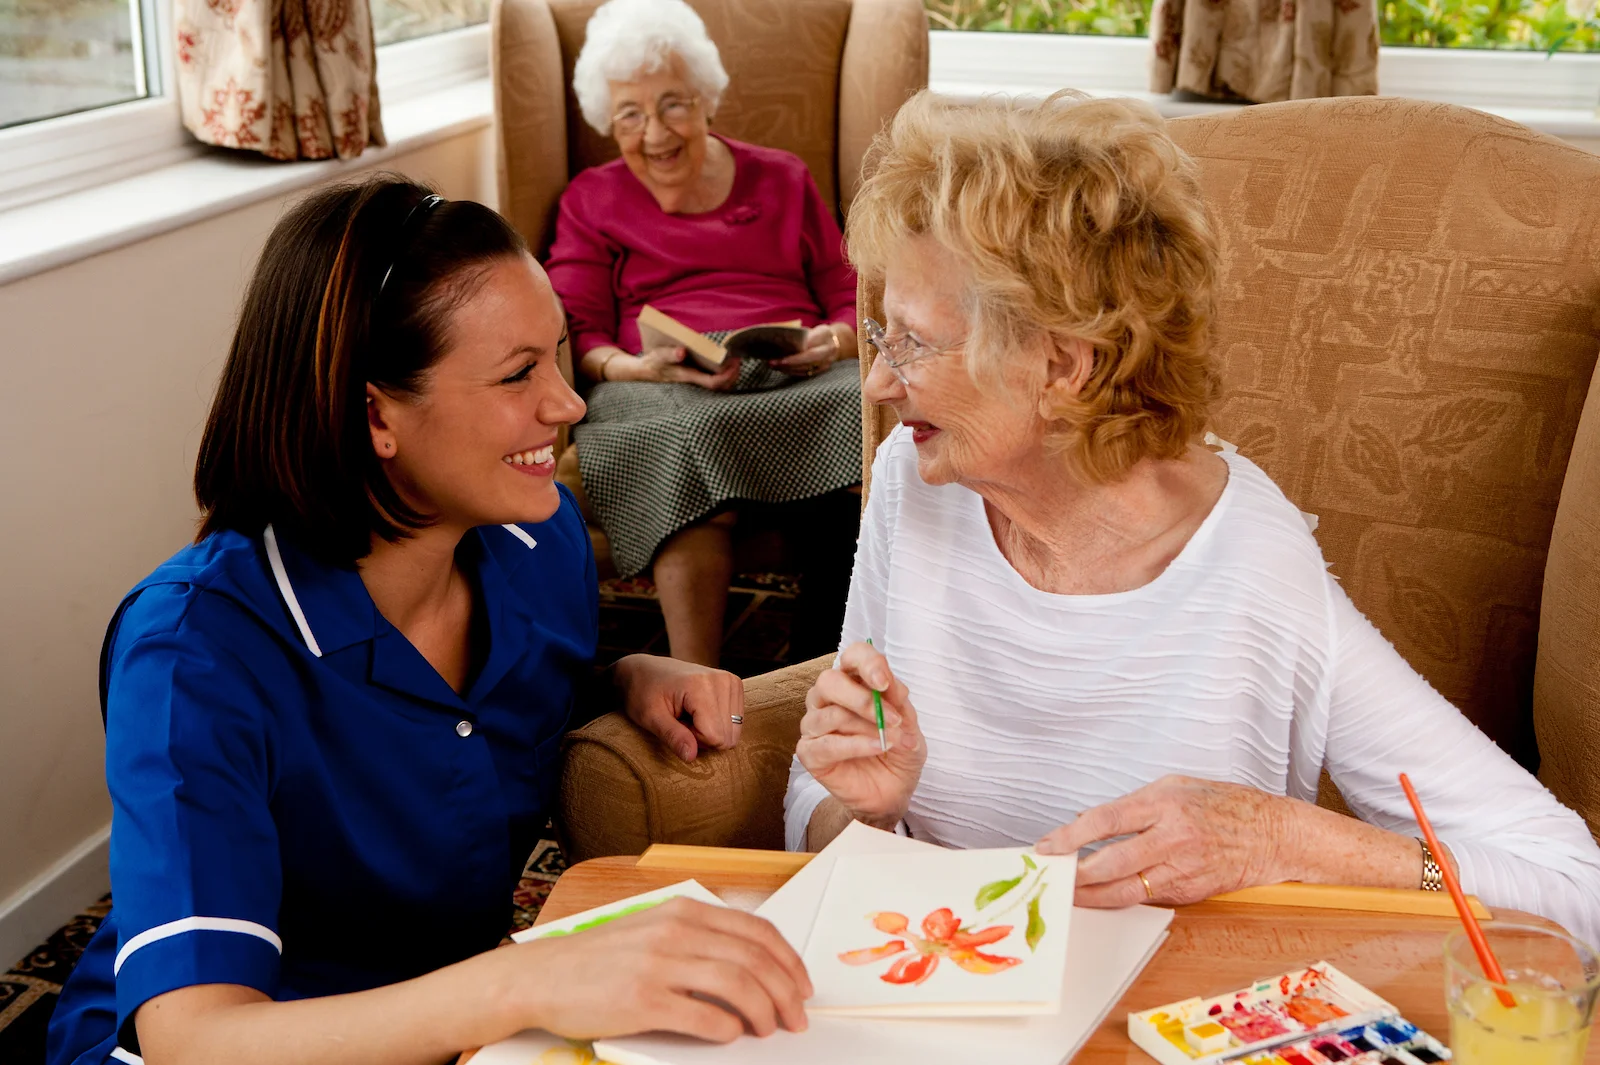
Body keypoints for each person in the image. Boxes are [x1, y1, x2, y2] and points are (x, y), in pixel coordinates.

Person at [784, 91, 1600, 947]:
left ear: (1063, 366)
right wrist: (862, 808)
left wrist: (1288, 838)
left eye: (912, 343)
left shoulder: (1247, 565)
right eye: (880, 335)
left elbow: (1570, 884)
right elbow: (821, 800)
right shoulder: (918, 481)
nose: (877, 383)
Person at [47, 176, 810, 1065]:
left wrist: (621, 677)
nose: (567, 405)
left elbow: (459, 734)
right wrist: (526, 978)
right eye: (519, 372)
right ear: (376, 414)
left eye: (559, 357)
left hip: (463, 1035)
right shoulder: (190, 654)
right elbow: (194, 1036)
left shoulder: (535, 542)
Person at [545, 0, 862, 668]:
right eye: (630, 113)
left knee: (865, 406)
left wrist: (828, 344)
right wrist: (636, 368)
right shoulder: (589, 198)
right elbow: (580, 332)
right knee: (680, 435)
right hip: (658, 380)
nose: (655, 132)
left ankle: (826, 659)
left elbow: (847, 291)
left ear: (707, 101)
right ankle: (697, 681)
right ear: (609, 123)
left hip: (796, 369)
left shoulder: (782, 175)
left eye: (673, 104)